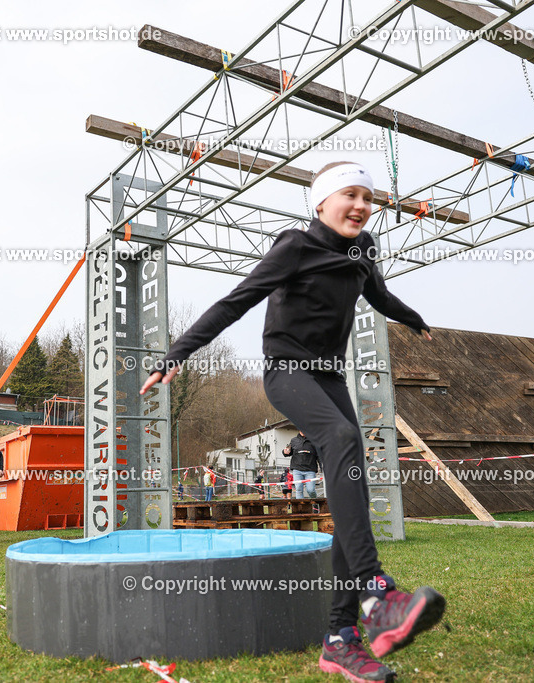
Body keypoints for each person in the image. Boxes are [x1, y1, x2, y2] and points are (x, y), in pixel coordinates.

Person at [140, 161, 445, 681]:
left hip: (329, 377)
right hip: (287, 372)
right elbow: (234, 303)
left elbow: (378, 295)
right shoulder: (294, 246)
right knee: (344, 435)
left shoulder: (363, 249)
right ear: (321, 203)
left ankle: (340, 639)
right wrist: (175, 354)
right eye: (349, 195)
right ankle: (377, 594)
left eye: (368, 198)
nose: (361, 206)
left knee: (354, 480)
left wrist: (412, 318)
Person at [284, 431, 321, 499]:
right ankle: (300, 508)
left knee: (310, 490)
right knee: (298, 489)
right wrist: (285, 452)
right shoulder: (294, 440)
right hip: (297, 470)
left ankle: (316, 504)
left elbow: (319, 456)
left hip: (310, 470)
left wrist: (322, 468)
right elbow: (289, 452)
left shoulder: (314, 441)